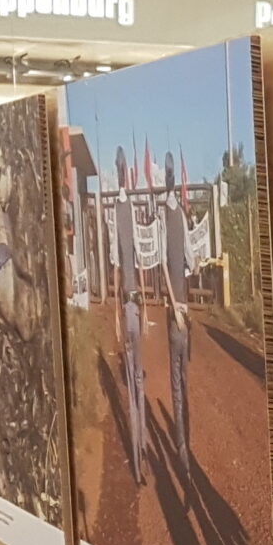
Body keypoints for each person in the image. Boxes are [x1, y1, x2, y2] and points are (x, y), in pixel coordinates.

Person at [111, 148, 147, 485]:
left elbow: (134, 262)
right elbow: (118, 269)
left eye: (122, 169)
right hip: (127, 307)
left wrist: (144, 309)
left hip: (134, 307)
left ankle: (143, 445)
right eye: (121, 168)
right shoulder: (119, 214)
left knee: (138, 378)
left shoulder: (130, 212)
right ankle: (137, 456)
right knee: (134, 382)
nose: (123, 173)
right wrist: (116, 316)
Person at [162, 154, 194, 469]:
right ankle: (187, 444)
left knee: (175, 380)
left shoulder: (163, 216)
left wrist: (172, 305)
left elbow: (162, 262)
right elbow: (191, 259)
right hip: (184, 308)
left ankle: (181, 443)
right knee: (184, 378)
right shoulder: (181, 216)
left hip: (174, 314)